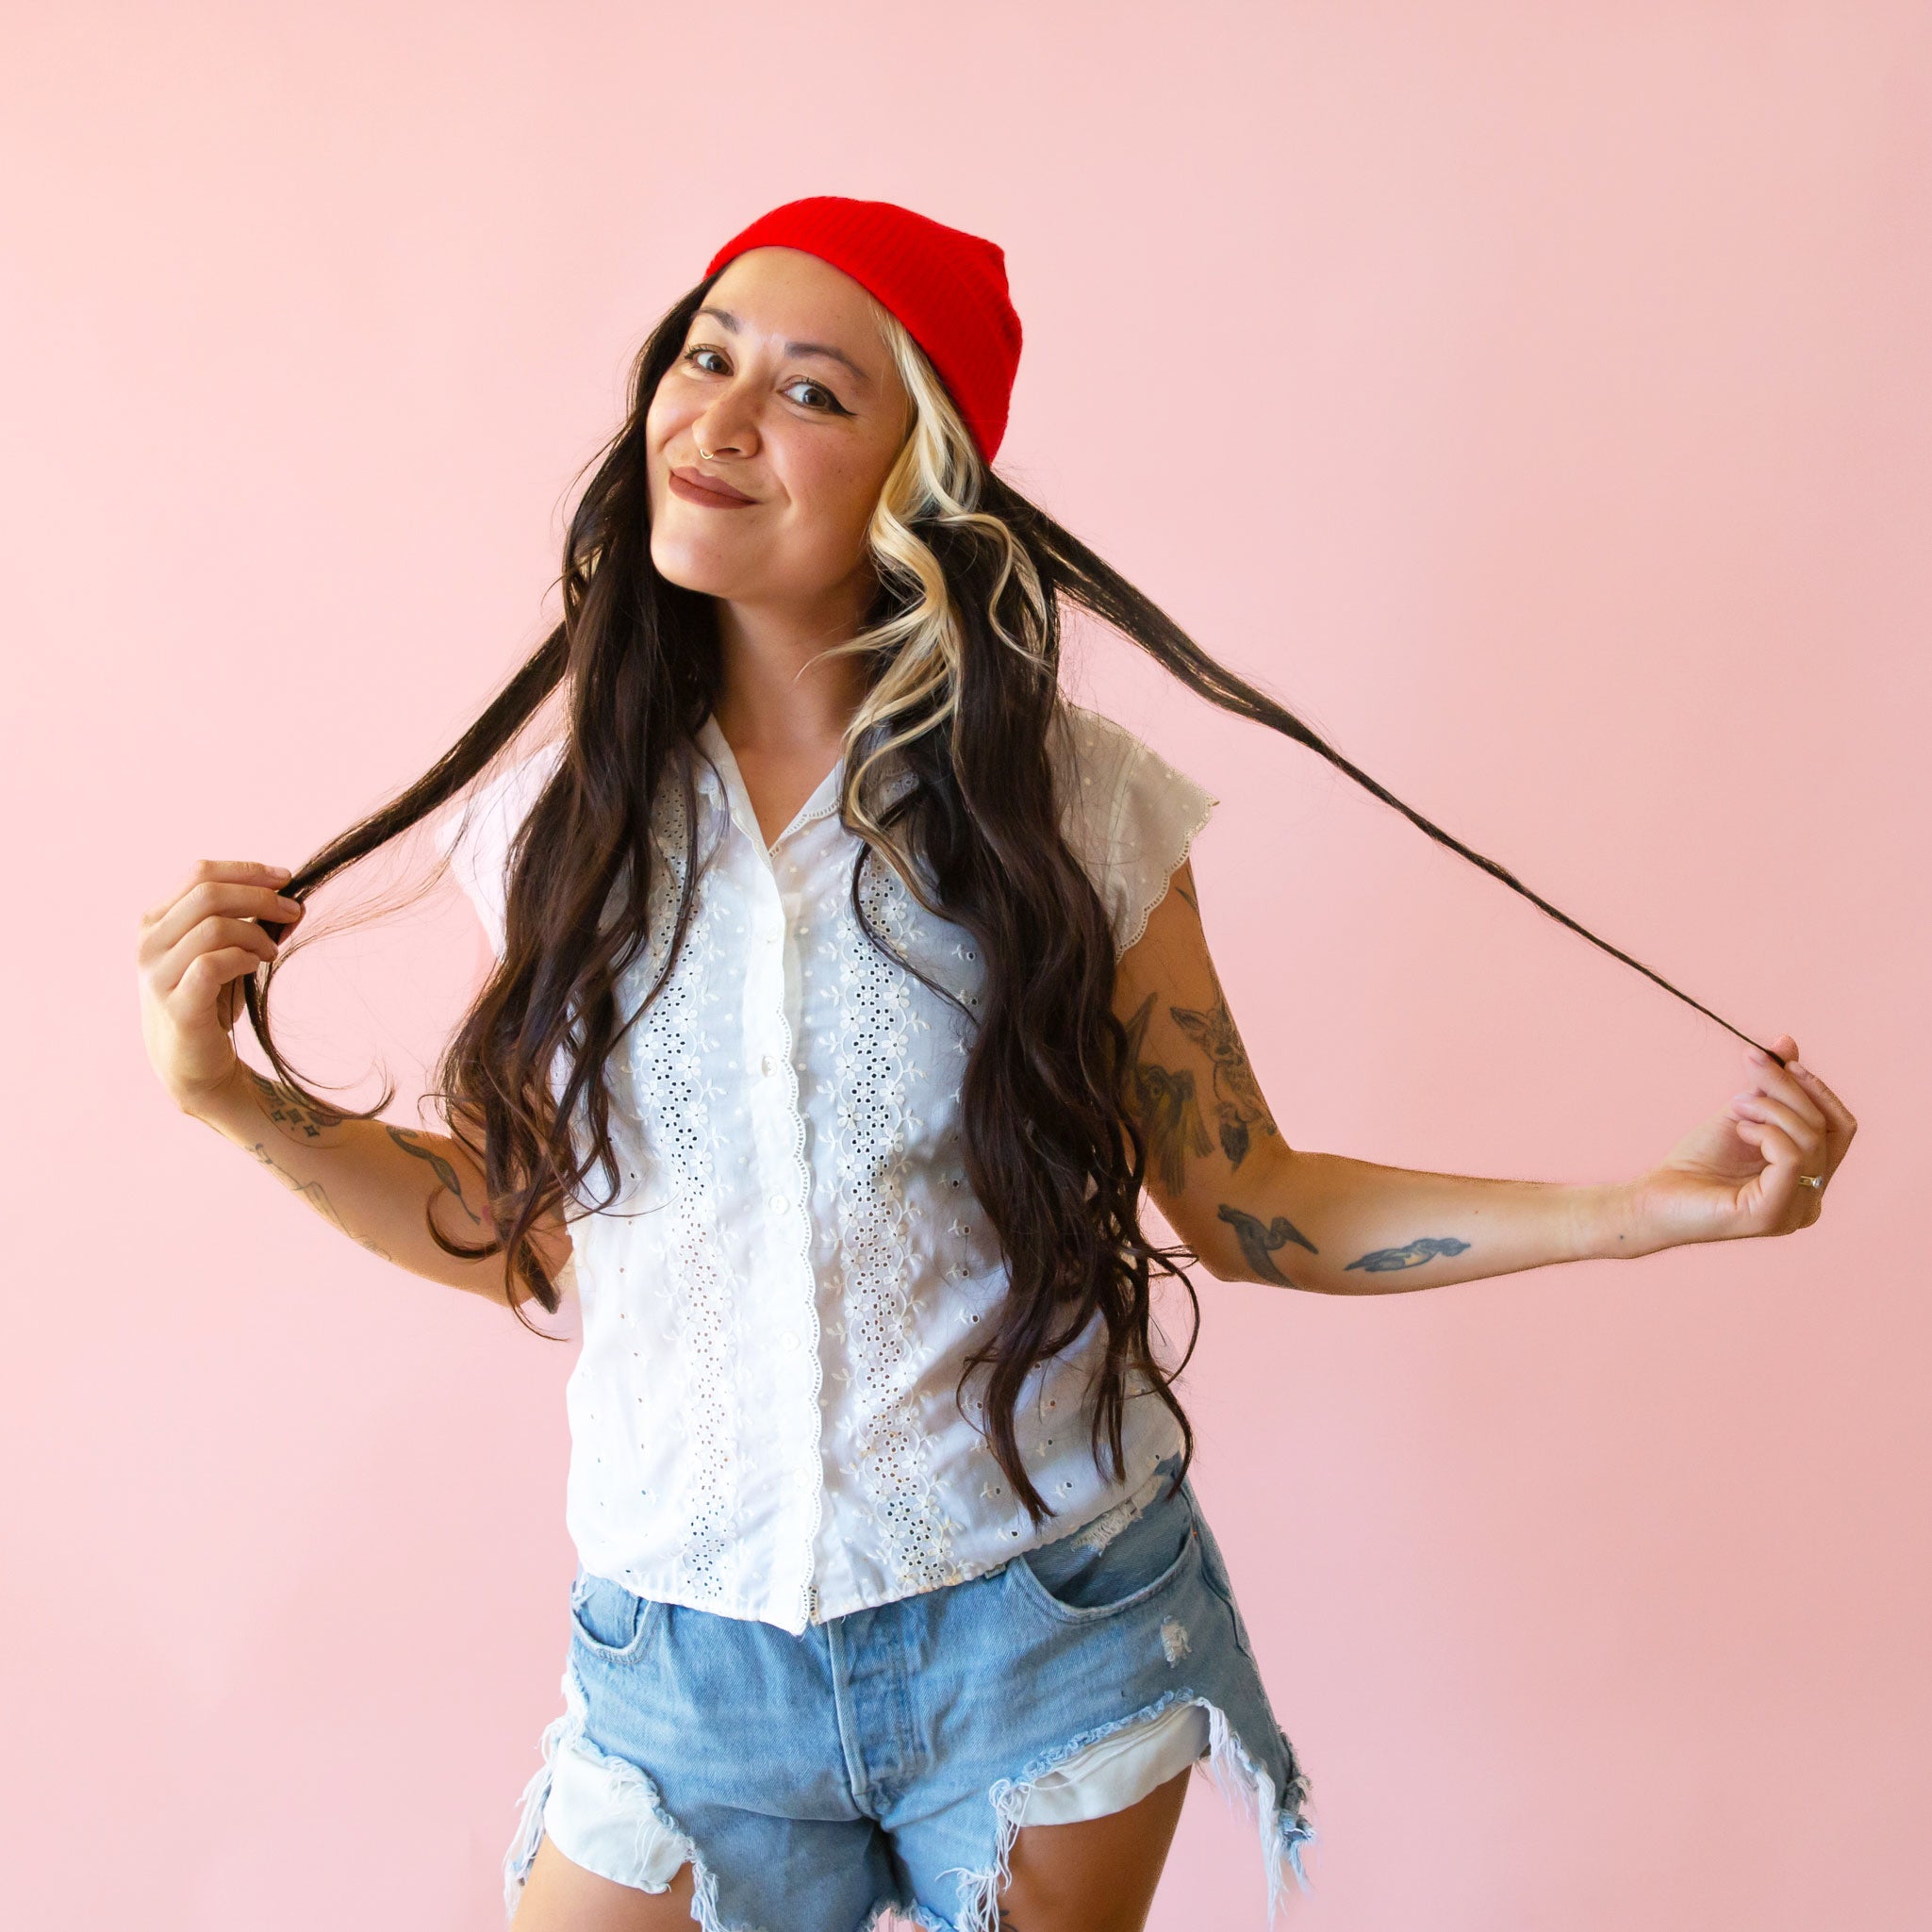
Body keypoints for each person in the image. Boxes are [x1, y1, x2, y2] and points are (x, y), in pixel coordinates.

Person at [135, 196, 1857, 1932]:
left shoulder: (1072, 808)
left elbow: (1247, 1200)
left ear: (923, 480)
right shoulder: (556, 832)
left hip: (1043, 1631)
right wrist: (228, 1094)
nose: (717, 417)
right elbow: (521, 1231)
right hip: (682, 1667)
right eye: (704, 356)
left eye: (810, 390)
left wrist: (1654, 1209)